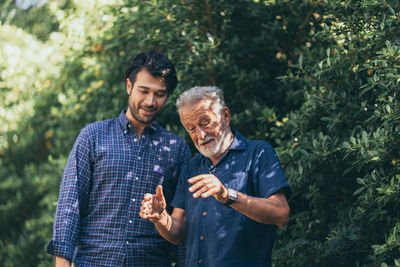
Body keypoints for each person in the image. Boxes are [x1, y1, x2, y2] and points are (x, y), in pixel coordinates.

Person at [46, 51, 191, 266]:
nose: (150, 101)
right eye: (144, 90)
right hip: (93, 261)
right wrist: (62, 262)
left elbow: (183, 226)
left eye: (160, 94)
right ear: (129, 86)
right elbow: (71, 202)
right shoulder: (93, 136)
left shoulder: (177, 149)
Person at [140, 86, 291, 267]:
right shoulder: (190, 168)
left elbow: (282, 214)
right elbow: (177, 231)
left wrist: (227, 195)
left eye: (205, 123)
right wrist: (160, 217)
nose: (200, 135)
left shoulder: (258, 152)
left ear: (225, 116)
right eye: (191, 128)